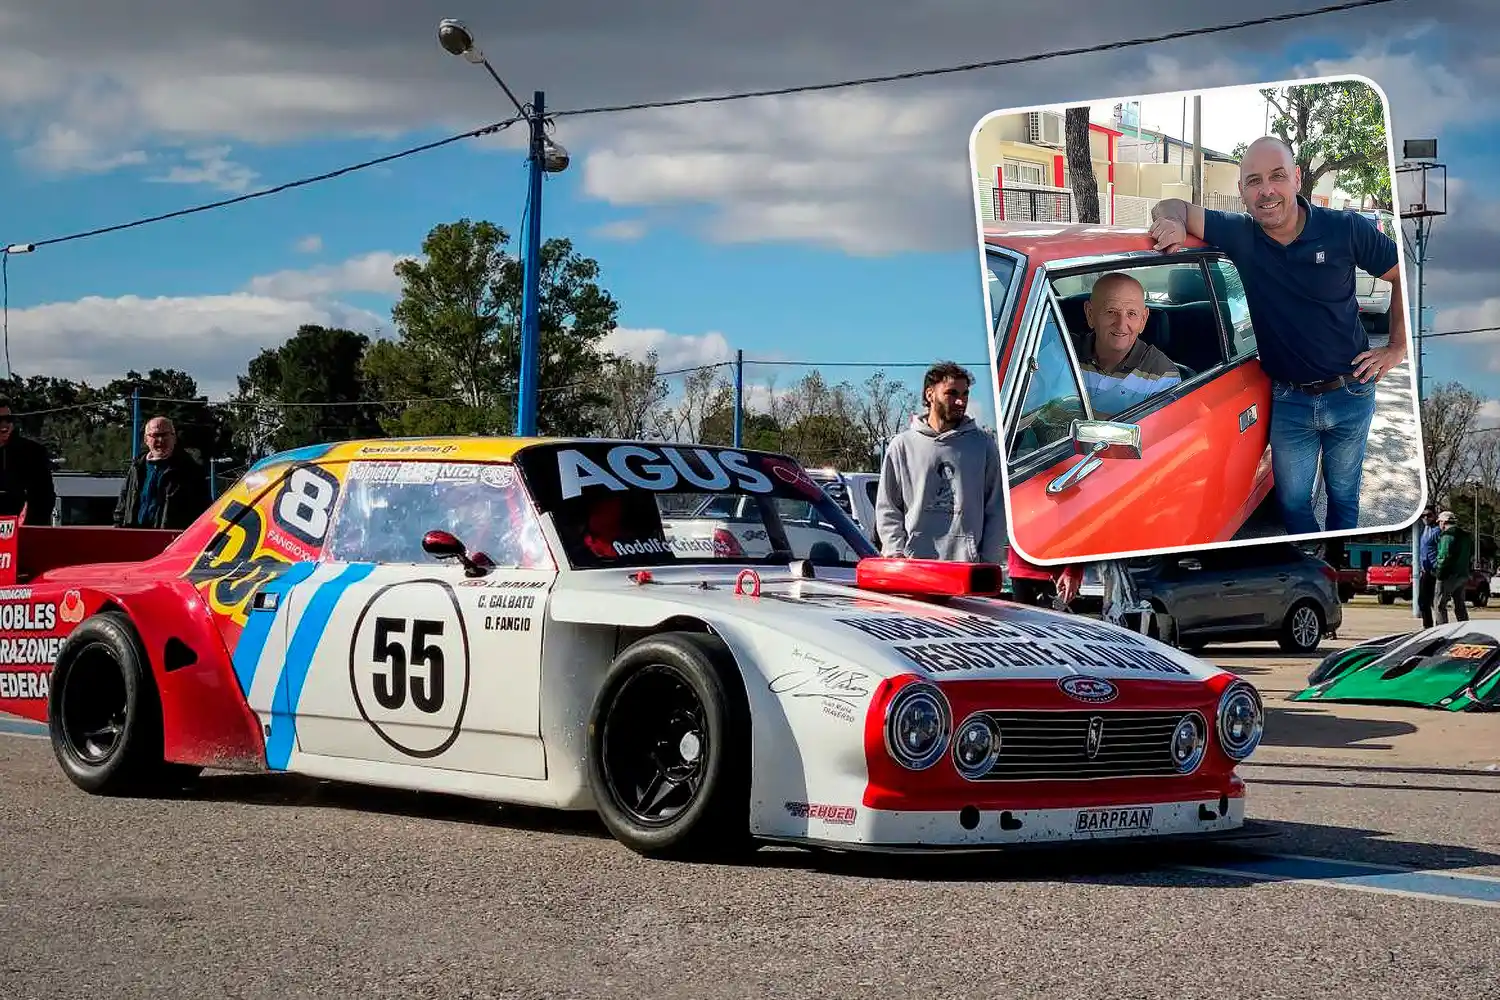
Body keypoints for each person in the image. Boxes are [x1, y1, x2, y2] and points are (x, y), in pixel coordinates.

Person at [1148, 136, 1406, 535]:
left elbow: (1403, 274)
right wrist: (1169, 221)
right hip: (1288, 401)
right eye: (1253, 181)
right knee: (1291, 504)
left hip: (1352, 392)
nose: (1266, 190)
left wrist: (1397, 347)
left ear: (1296, 178)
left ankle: (1338, 575)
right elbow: (1174, 206)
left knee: (1343, 499)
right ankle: (1310, 566)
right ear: (1242, 191)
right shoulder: (1239, 234)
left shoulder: (1345, 229)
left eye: (1277, 177)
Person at [875, 361, 1007, 564]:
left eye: (965, 395)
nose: (961, 402)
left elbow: (996, 509)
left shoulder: (983, 445)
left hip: (967, 569)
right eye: (952, 393)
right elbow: (888, 508)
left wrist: (989, 561)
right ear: (930, 394)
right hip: (914, 568)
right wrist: (896, 556)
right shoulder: (902, 446)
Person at [1074, 271, 1182, 418]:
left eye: (1132, 314)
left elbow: (1152, 437)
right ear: (1090, 314)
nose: (1121, 325)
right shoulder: (1062, 352)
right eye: (1111, 311)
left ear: (1143, 320)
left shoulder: (1162, 375)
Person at [113, 416, 211, 530]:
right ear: (146, 440)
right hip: (135, 537)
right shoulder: (137, 468)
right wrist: (119, 527)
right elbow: (122, 505)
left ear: (174, 438)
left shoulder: (190, 470)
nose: (160, 440)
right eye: (155, 435)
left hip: (170, 539)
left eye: (164, 435)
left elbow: (203, 512)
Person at [0, 399, 57, 525]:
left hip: (24, 529)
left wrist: (28, 526)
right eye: (0, 420)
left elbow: (45, 496)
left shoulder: (33, 452)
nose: (4, 425)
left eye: (8, 419)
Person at [1433, 509, 1473, 625]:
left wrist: (1439, 572)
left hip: (1449, 574)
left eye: (1439, 522)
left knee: (1439, 604)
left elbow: (1444, 556)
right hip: (1462, 574)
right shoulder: (1465, 536)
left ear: (1444, 522)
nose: (1439, 525)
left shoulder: (1447, 536)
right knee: (1459, 604)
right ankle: (1464, 626)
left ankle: (1441, 631)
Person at [1417, 506, 1441, 627]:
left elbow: (1442, 551)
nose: (1425, 518)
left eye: (1429, 515)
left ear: (1435, 516)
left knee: (1433, 602)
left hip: (1433, 571)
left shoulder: (1437, 531)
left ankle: (1434, 626)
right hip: (1424, 570)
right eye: (1423, 516)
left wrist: (1437, 566)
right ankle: (1427, 626)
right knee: (1422, 602)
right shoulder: (1425, 530)